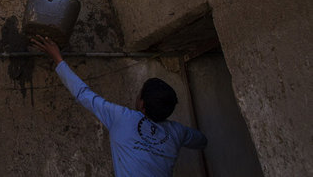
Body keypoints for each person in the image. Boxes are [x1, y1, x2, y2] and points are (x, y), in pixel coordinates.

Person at [31, 35, 207, 177]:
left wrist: (57, 58)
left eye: (140, 93)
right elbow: (201, 141)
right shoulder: (176, 132)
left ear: (142, 104)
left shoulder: (123, 118)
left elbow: (83, 94)